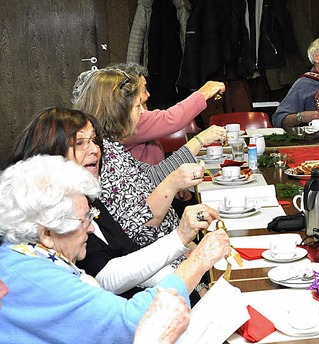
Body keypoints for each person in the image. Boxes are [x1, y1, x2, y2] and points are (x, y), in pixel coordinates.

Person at [0, 155, 231, 343]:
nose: (90, 228)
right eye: (83, 220)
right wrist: (200, 260)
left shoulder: (21, 255)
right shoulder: (36, 279)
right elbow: (136, 322)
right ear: (47, 233)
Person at [10, 107, 215, 298]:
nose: (95, 150)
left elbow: (130, 253)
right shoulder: (55, 213)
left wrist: (191, 284)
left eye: (94, 140)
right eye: (80, 143)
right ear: (51, 154)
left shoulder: (88, 197)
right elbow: (106, 279)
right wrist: (180, 241)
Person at [73, 69, 225, 247]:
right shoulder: (102, 155)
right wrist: (174, 182)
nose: (143, 113)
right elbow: (139, 229)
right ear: (118, 111)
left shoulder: (112, 147)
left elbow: (148, 178)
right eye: (138, 106)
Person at [72, 63, 226, 165]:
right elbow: (170, 118)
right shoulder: (126, 123)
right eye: (143, 90)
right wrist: (199, 140)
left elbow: (154, 175)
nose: (148, 95)